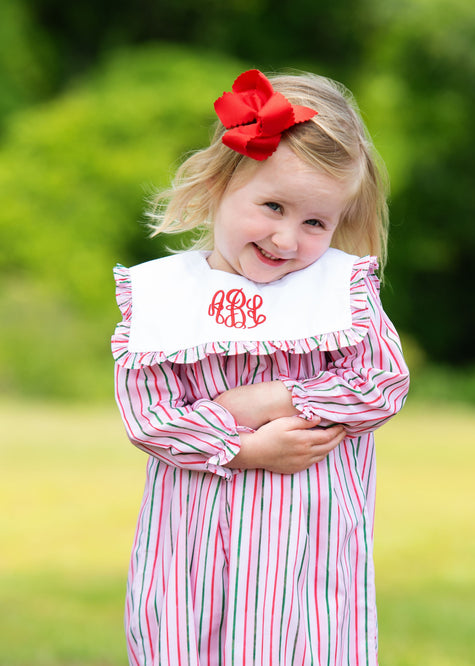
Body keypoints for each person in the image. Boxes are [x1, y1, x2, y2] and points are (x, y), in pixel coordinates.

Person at [112, 68, 409, 666]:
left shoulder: (339, 293)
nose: (286, 238)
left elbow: (381, 383)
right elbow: (148, 415)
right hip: (192, 540)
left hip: (306, 546)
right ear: (220, 184)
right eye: (272, 205)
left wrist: (274, 400)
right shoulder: (168, 299)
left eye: (315, 222)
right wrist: (244, 447)